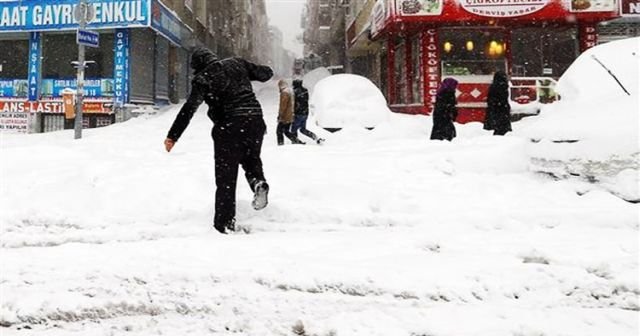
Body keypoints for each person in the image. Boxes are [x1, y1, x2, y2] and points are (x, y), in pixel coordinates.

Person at [164, 47, 273, 234]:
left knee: (226, 177)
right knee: (251, 159)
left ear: (197, 66)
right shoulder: (237, 63)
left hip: (229, 126)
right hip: (255, 120)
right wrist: (253, 71)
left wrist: (173, 136)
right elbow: (265, 74)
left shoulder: (203, 78)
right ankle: (258, 183)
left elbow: (189, 108)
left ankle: (225, 222)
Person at [292, 79, 324, 144]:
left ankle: (295, 142)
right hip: (305, 112)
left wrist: (293, 111)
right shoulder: (305, 90)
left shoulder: (295, 91)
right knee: (303, 129)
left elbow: (294, 103)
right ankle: (315, 137)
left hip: (298, 113)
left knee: (294, 129)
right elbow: (306, 100)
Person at [484, 70, 512, 136]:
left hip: (495, 107)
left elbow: (490, 98)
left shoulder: (494, 86)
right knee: (502, 124)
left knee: (497, 124)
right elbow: (504, 97)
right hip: (502, 107)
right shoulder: (504, 86)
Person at [277, 79, 304, 145]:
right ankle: (297, 141)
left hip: (285, 116)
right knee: (286, 131)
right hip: (290, 115)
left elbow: (283, 106)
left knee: (279, 131)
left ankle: (281, 144)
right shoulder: (290, 91)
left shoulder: (284, 93)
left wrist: (280, 115)